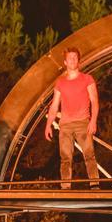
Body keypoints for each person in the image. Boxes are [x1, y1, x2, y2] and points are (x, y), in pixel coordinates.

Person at [44, 47, 100, 189]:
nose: (73, 60)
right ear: (65, 62)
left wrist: (93, 121)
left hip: (83, 122)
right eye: (70, 58)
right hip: (66, 124)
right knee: (65, 158)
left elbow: (94, 101)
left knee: (89, 154)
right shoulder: (60, 82)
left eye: (75, 57)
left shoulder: (87, 79)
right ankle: (66, 187)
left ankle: (94, 185)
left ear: (78, 60)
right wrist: (48, 125)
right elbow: (55, 105)